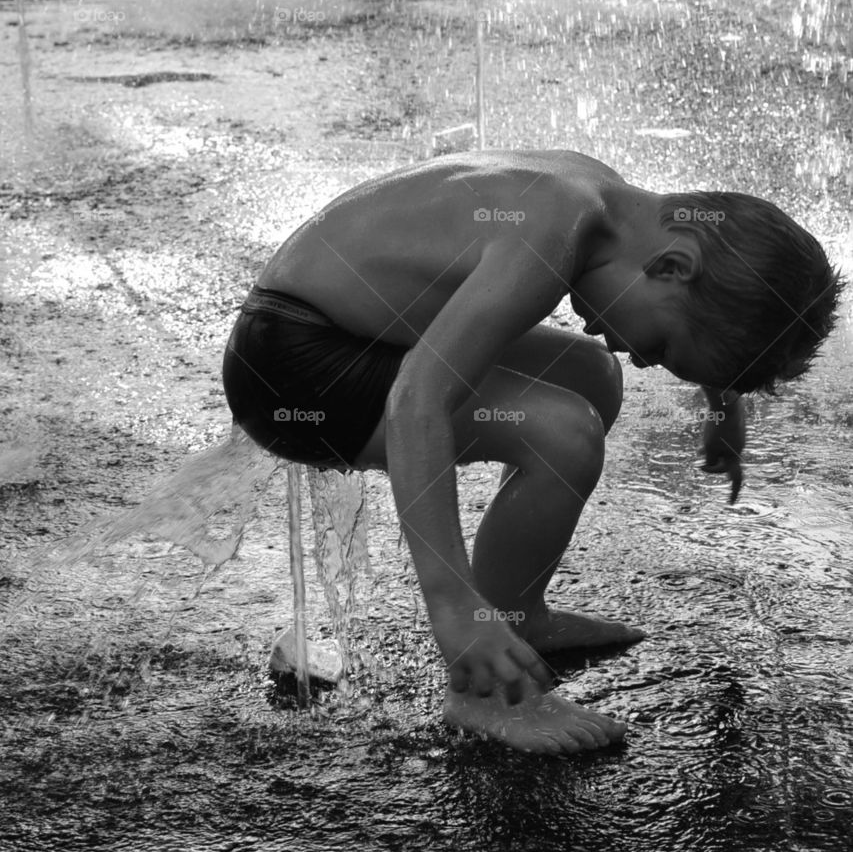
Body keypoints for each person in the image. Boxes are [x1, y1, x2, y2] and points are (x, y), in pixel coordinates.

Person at [222, 149, 842, 756]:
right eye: (660, 344)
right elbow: (418, 402)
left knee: (595, 375)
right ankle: (484, 686)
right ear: (671, 267)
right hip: (293, 368)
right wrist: (454, 610)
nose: (646, 357)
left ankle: (516, 615)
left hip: (357, 331)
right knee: (562, 429)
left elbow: (712, 303)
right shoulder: (546, 232)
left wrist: (723, 402)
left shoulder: (603, 202)